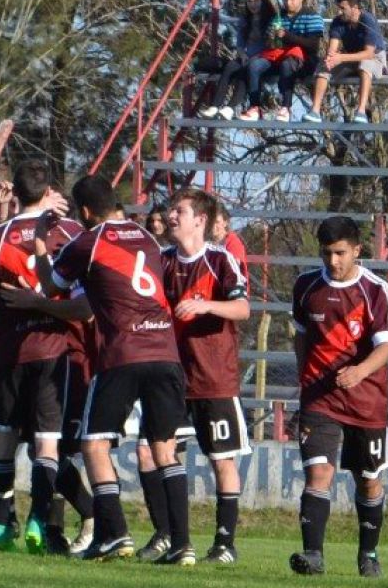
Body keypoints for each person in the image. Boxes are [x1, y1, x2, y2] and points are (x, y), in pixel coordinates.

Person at [36, 174, 193, 564]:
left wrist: (41, 239)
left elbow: (50, 285)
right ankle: (183, 545)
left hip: (123, 354)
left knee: (93, 444)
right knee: (164, 449)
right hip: (166, 352)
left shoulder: (87, 242)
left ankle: (115, 535)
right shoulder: (148, 239)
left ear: (85, 211)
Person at [0, 160, 82, 554]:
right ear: (48, 189)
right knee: (47, 444)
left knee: (4, 438)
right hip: (53, 349)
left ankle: (2, 526)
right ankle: (39, 519)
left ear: (14, 193)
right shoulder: (69, 233)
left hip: (8, 352)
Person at [289, 216, 388, 578]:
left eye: (339, 253)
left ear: (356, 250)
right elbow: (302, 334)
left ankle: (368, 555)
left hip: (366, 403)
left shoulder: (375, 290)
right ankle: (313, 556)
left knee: (368, 479)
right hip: (320, 400)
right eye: (326, 253)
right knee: (318, 473)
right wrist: (306, 378)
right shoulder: (306, 286)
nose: (332, 262)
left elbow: (387, 346)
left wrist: (359, 372)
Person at [160, 189, 251, 563]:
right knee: (161, 453)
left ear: (199, 219)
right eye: (169, 210)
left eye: (178, 210)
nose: (170, 216)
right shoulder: (160, 261)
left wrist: (205, 305)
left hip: (213, 378)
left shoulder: (219, 260)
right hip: (170, 377)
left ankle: (225, 542)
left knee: (222, 461)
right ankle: (176, 540)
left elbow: (243, 308)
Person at [302, 0, 388, 124]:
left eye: (343, 8)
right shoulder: (338, 22)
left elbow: (369, 53)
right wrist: (330, 59)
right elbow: (333, 48)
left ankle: (361, 112)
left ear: (354, 8)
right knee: (323, 66)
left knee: (365, 64)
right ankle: (315, 111)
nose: (339, 12)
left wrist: (341, 58)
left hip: (373, 57)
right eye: (339, 8)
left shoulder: (368, 20)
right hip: (349, 56)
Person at [239, 0, 323, 122]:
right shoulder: (278, 17)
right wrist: (271, 38)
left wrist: (288, 36)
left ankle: (286, 107)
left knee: (287, 64)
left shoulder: (312, 16)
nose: (288, 3)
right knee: (254, 65)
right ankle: (254, 106)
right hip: (278, 55)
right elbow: (270, 43)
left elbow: (313, 46)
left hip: (304, 59)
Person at [199, 0, 278, 120]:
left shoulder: (272, 19)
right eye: (249, 1)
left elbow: (274, 44)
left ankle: (230, 107)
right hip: (247, 56)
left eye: (256, 1)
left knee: (246, 70)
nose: (253, 4)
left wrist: (255, 57)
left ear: (263, 1)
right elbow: (240, 44)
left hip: (264, 59)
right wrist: (242, 54)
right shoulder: (245, 20)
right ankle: (215, 106)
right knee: (230, 66)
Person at [211, 200, 250, 282]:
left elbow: (234, 273)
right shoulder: (207, 242)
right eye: (210, 222)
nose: (213, 226)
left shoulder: (233, 243)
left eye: (217, 222)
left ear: (225, 222)